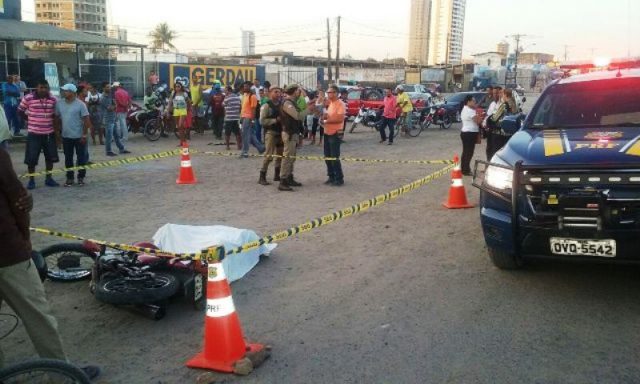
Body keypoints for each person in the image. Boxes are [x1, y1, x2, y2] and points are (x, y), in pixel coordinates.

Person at [0, 148, 101, 380]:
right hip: (8, 252)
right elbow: (20, 201)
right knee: (38, 317)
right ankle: (61, 375)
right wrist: (24, 240)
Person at [17, 79, 59, 190]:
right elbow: (20, 111)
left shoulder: (53, 99)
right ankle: (31, 180)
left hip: (49, 133)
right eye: (41, 87)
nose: (43, 89)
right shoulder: (28, 98)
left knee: (50, 158)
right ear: (37, 87)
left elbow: (56, 115)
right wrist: (29, 119)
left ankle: (49, 178)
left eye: (46, 87)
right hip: (34, 133)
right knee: (31, 159)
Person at [278, 84, 312, 191]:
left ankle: (289, 177)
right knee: (287, 157)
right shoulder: (287, 103)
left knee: (291, 157)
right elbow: (297, 116)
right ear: (293, 91)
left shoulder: (293, 103)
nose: (299, 92)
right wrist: (308, 110)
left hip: (293, 133)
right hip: (289, 133)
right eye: (298, 90)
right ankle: (283, 180)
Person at [56, 83, 90, 186]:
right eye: (64, 90)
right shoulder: (59, 104)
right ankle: (69, 178)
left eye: (66, 91)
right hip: (66, 136)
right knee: (68, 159)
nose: (64, 92)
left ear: (72, 92)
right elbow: (56, 118)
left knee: (81, 158)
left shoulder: (81, 104)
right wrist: (58, 133)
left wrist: (84, 135)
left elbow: (86, 120)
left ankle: (81, 177)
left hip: (79, 137)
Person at [258, 87, 284, 185]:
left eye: (279, 92)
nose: (278, 94)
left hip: (280, 132)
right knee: (268, 155)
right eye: (275, 92)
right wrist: (275, 120)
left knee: (280, 156)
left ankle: (277, 174)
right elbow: (262, 121)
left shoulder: (282, 105)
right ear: (270, 93)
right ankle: (262, 176)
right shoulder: (266, 106)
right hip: (271, 132)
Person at [322, 85, 346, 186]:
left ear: (335, 93)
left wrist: (326, 120)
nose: (328, 94)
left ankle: (339, 178)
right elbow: (329, 116)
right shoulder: (331, 103)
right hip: (327, 132)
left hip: (335, 133)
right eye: (328, 92)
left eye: (330, 92)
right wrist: (323, 115)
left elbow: (340, 118)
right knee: (327, 156)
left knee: (334, 156)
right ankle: (331, 176)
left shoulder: (340, 104)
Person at [486, 88, 517, 160]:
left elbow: (494, 118)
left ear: (505, 95)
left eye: (502, 94)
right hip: (509, 134)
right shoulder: (515, 105)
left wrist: (488, 120)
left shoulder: (504, 105)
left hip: (499, 134)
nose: (501, 96)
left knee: (495, 153)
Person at [100, 83, 129, 157]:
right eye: (107, 87)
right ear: (103, 88)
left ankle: (121, 148)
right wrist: (115, 105)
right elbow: (110, 108)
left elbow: (114, 106)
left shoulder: (110, 96)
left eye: (109, 87)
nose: (109, 88)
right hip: (108, 119)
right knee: (109, 136)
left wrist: (115, 105)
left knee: (116, 135)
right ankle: (108, 151)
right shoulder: (103, 97)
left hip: (113, 118)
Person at [459, 95, 483, 176]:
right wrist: (481, 116)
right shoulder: (470, 111)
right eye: (473, 101)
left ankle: (464, 169)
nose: (475, 102)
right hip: (470, 133)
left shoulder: (465, 109)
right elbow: (478, 121)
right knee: (469, 152)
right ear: (468, 102)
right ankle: (466, 170)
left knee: (465, 152)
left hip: (465, 132)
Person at [240, 81, 265, 158]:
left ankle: (245, 152)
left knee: (245, 135)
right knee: (250, 135)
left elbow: (253, 109)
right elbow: (243, 107)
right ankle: (261, 148)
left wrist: (253, 120)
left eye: (246, 86)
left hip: (249, 117)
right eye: (244, 86)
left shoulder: (253, 96)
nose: (245, 88)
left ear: (250, 87)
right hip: (244, 117)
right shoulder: (245, 95)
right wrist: (241, 117)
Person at [483, 86, 502, 160]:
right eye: (494, 93)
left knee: (496, 150)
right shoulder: (492, 104)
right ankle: (488, 166)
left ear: (501, 93)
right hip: (490, 130)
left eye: (497, 93)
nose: (495, 95)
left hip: (498, 131)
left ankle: (494, 167)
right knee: (489, 149)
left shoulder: (503, 104)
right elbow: (488, 115)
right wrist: (484, 123)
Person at [222, 86, 242, 150]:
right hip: (236, 118)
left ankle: (227, 146)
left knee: (227, 133)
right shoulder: (237, 97)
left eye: (225, 90)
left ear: (229, 91)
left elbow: (222, 105)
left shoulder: (227, 98)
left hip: (229, 118)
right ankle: (239, 146)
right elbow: (240, 107)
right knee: (237, 132)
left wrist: (225, 98)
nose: (224, 92)